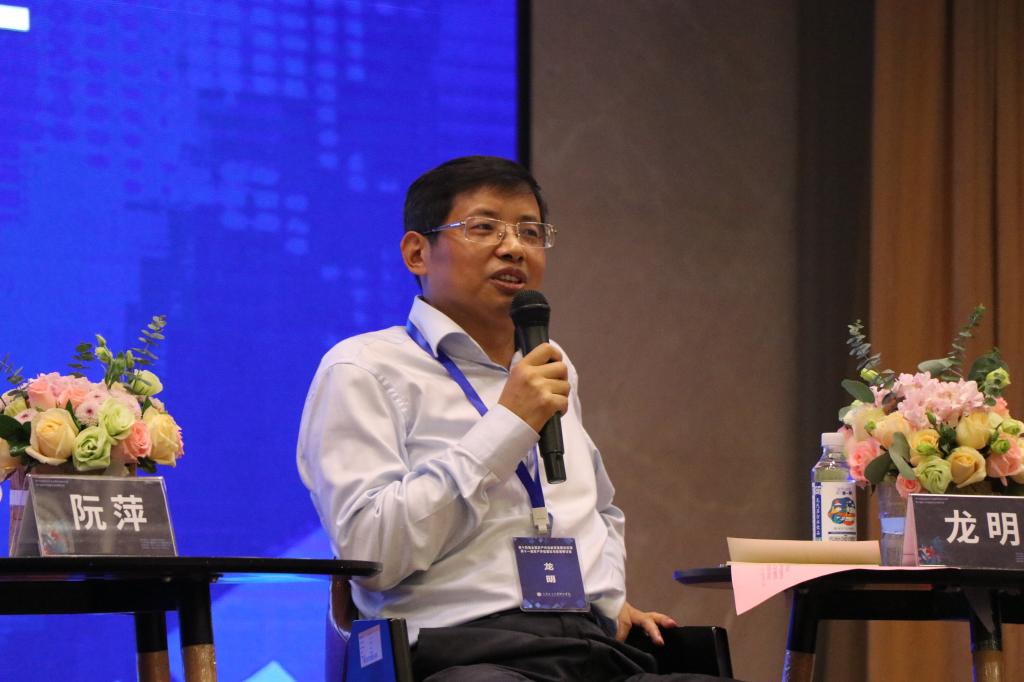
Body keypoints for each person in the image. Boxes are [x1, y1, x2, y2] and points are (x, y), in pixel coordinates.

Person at [297, 156, 729, 681]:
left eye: (530, 231)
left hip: (588, 646)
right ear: (417, 252)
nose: (514, 247)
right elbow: (371, 552)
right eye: (484, 227)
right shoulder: (364, 368)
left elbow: (601, 509)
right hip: (460, 654)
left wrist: (609, 596)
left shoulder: (551, 363)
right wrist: (506, 425)